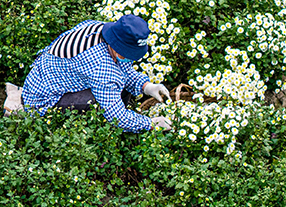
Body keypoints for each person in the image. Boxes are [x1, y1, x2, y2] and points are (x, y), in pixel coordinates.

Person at [15, 15, 173, 132]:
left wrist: (146, 86)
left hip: (43, 75)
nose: (129, 58)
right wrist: (150, 124)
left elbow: (123, 70)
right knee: (111, 99)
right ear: (117, 47)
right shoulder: (101, 67)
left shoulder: (99, 28)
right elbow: (118, 117)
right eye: (127, 53)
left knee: (119, 86)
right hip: (43, 100)